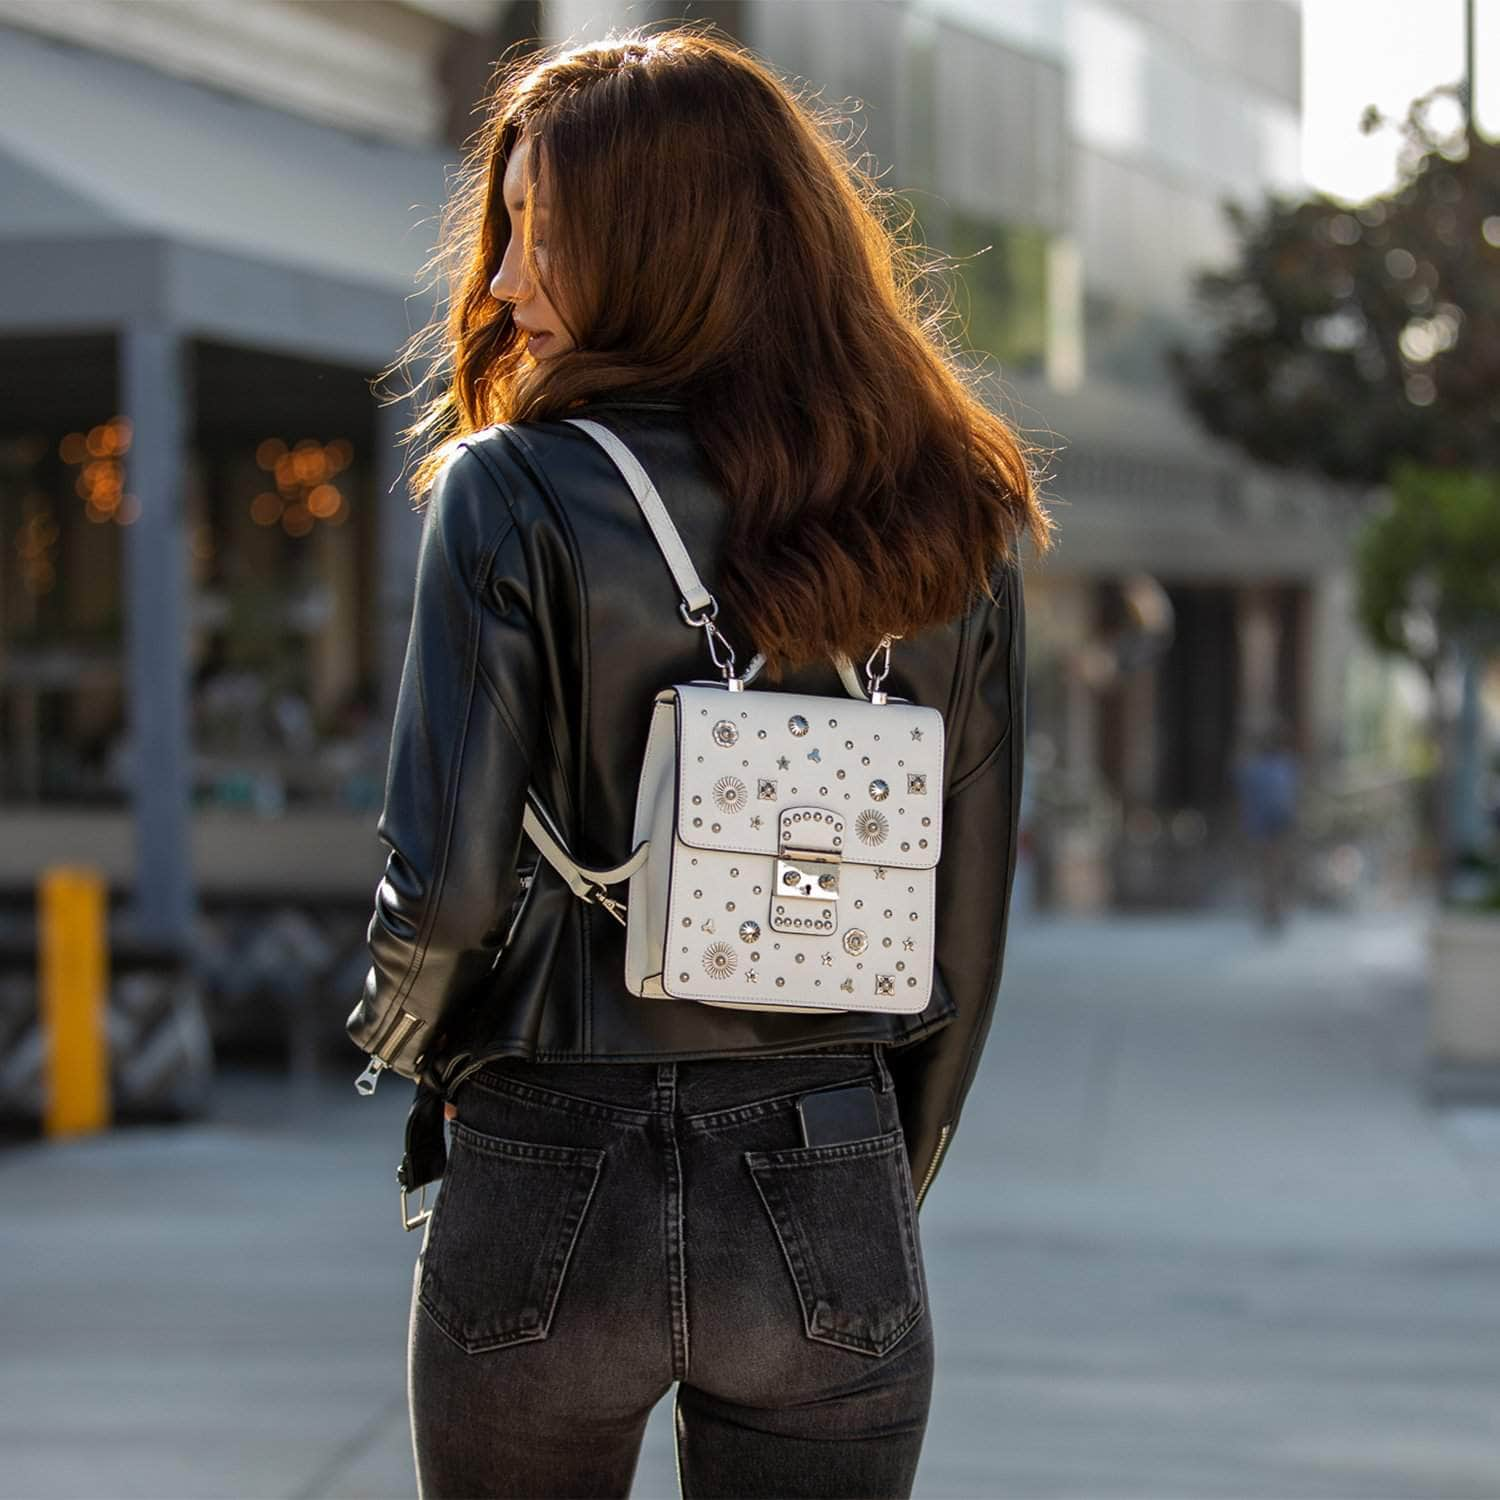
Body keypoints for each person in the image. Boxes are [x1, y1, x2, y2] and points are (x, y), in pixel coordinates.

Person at [350, 26, 1055, 1499]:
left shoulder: (514, 490)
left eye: (542, 234)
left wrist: (399, 1043)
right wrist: (871, 1177)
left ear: (659, 244)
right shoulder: (956, 514)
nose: (497, 283)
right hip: (829, 1156)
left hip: (549, 1146)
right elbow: (964, 947)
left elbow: (452, 894)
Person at [1233, 717, 1301, 932]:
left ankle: (1273, 910)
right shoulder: (1282, 766)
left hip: (1272, 824)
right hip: (1271, 823)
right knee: (1272, 870)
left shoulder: (1268, 767)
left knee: (1271, 870)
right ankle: (1272, 910)